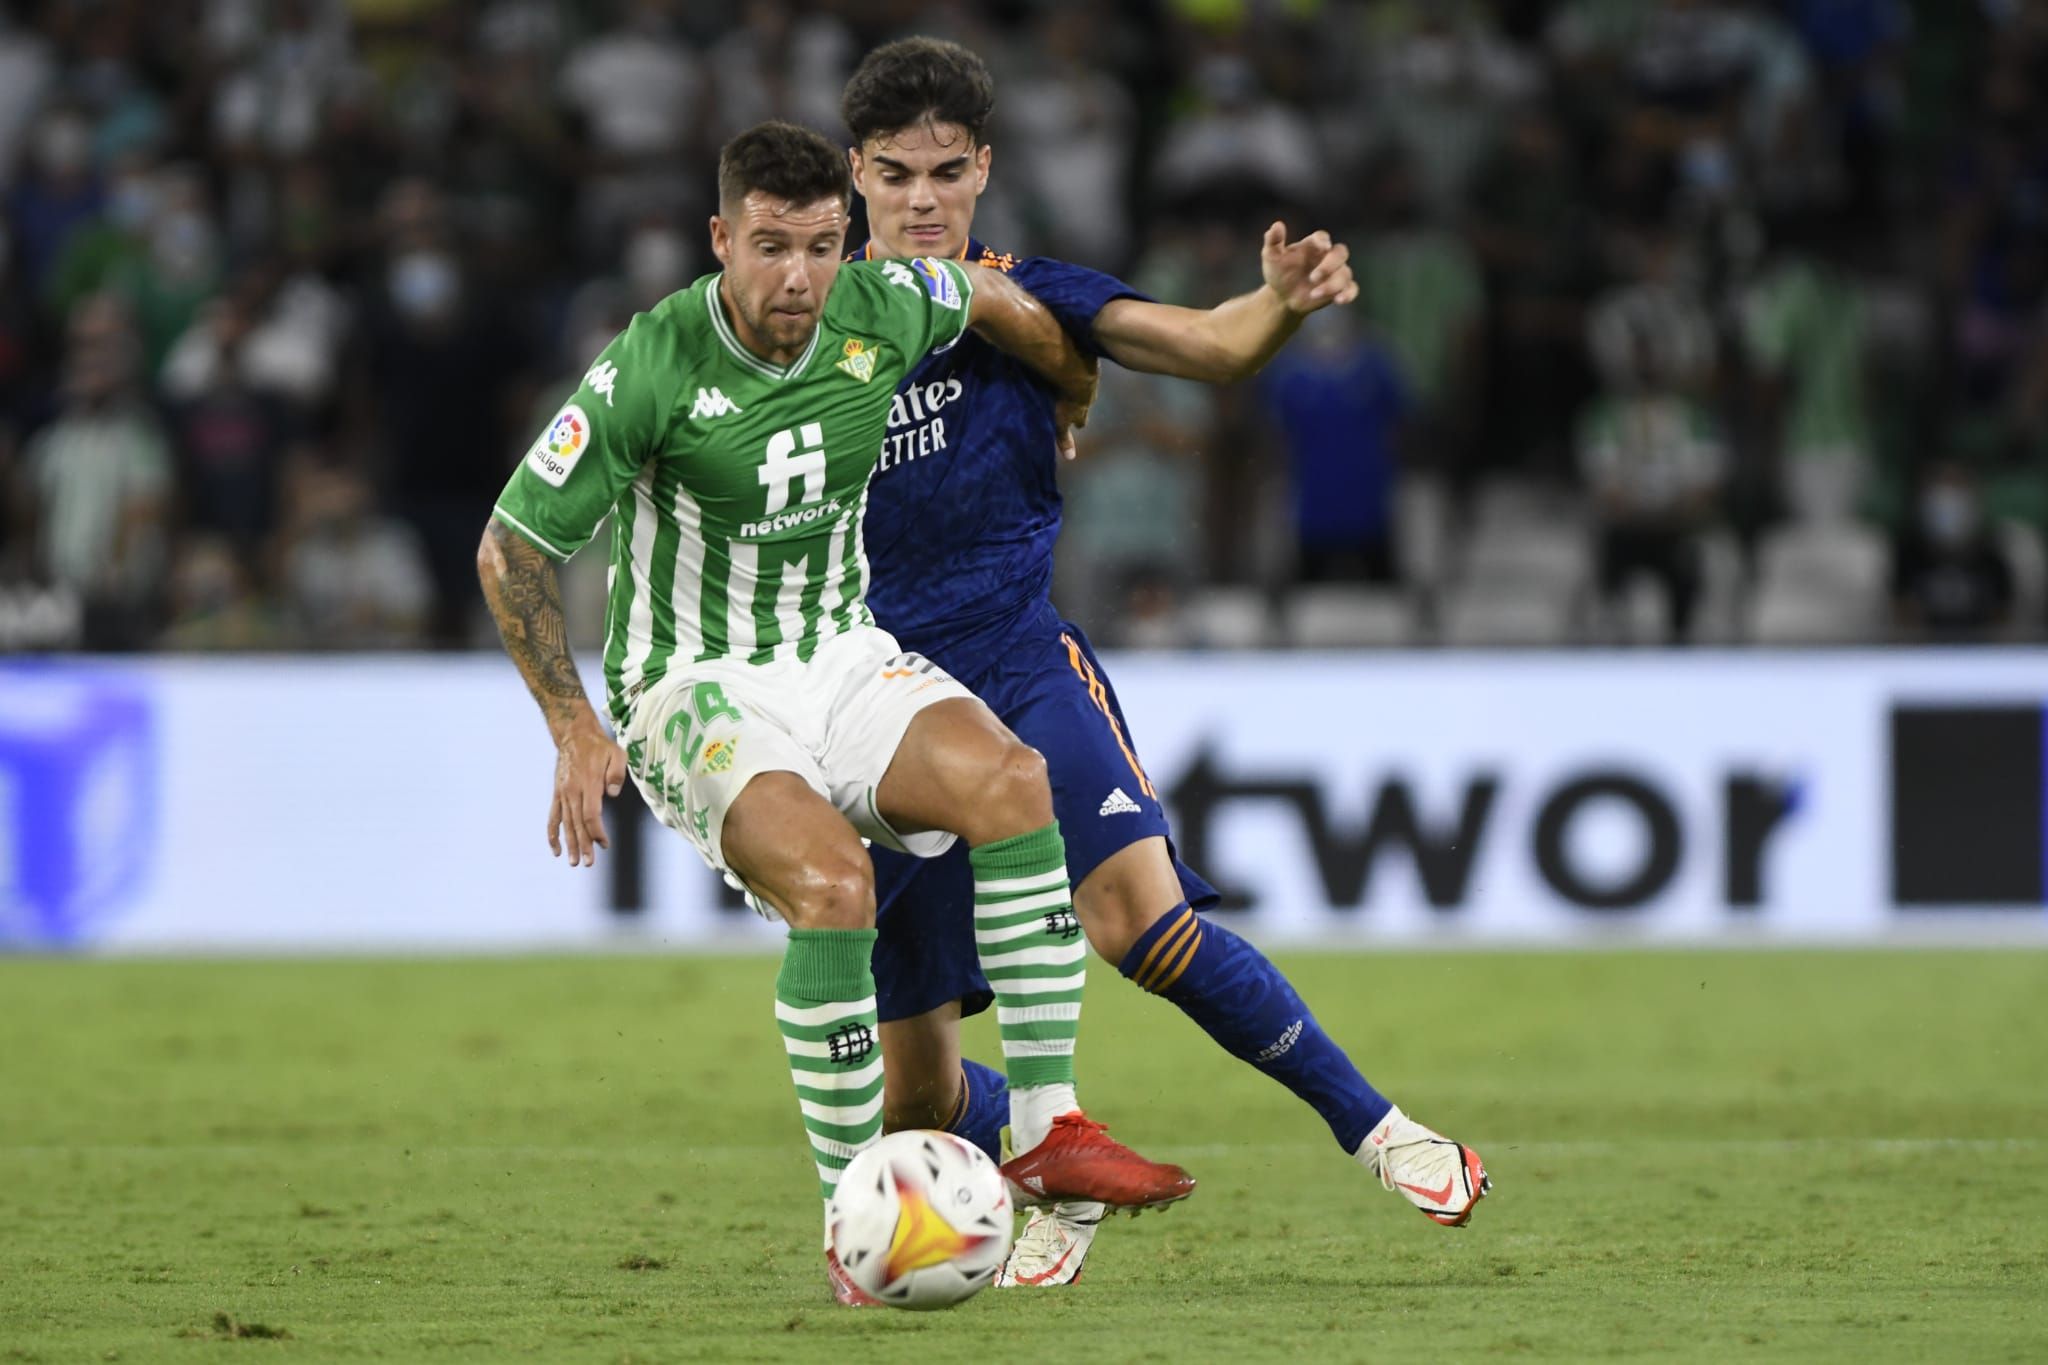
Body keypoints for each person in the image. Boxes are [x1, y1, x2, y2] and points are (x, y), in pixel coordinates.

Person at [475, 121, 1192, 1305]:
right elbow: (511, 548)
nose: (798, 277)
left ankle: (1046, 1127)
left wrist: (1072, 387)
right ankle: (852, 1217)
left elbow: (994, 301)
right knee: (833, 886)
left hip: (838, 653)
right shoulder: (651, 363)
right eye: (770, 247)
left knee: (1014, 783)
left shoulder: (884, 302)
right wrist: (572, 723)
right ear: (720, 239)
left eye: (818, 246)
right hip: (695, 684)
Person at [838, 38, 1492, 1292]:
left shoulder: (1030, 296)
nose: (921, 199)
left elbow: (1202, 343)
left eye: (944, 172)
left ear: (984, 170)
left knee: (1140, 923)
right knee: (914, 1095)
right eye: (894, 174)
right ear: (854, 175)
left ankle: (1385, 1134)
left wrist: (1277, 305)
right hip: (866, 707)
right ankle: (1056, 1159)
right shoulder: (805, 330)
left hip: (1014, 660)